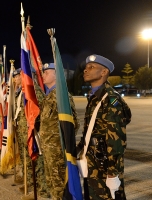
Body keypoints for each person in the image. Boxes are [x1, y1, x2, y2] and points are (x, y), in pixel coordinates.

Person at [78, 54, 131, 200]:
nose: (86, 70)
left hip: (105, 166)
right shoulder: (94, 96)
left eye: (92, 67)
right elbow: (90, 130)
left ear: (104, 72)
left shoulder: (111, 100)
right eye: (86, 67)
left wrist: (113, 173)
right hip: (92, 162)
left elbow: (117, 140)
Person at [39, 63, 79, 200]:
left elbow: (72, 123)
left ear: (56, 75)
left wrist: (61, 144)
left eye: (47, 72)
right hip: (48, 148)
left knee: (60, 185)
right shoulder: (48, 96)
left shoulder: (62, 96)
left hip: (57, 150)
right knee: (51, 182)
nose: (43, 75)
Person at [13, 68, 49, 200]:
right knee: (28, 161)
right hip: (24, 132)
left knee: (37, 162)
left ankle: (42, 192)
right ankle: (30, 185)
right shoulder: (23, 92)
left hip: (33, 133)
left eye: (19, 76)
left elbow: (39, 113)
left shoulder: (34, 91)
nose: (16, 79)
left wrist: (33, 128)